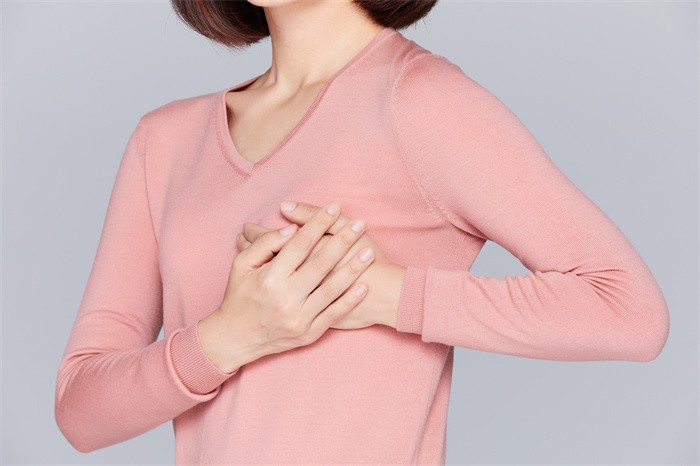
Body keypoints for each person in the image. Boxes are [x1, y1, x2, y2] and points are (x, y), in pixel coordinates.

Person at [54, 0, 671, 463]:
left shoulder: (423, 102)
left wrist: (386, 294)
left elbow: (628, 311)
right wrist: (227, 338)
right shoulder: (165, 140)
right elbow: (80, 412)